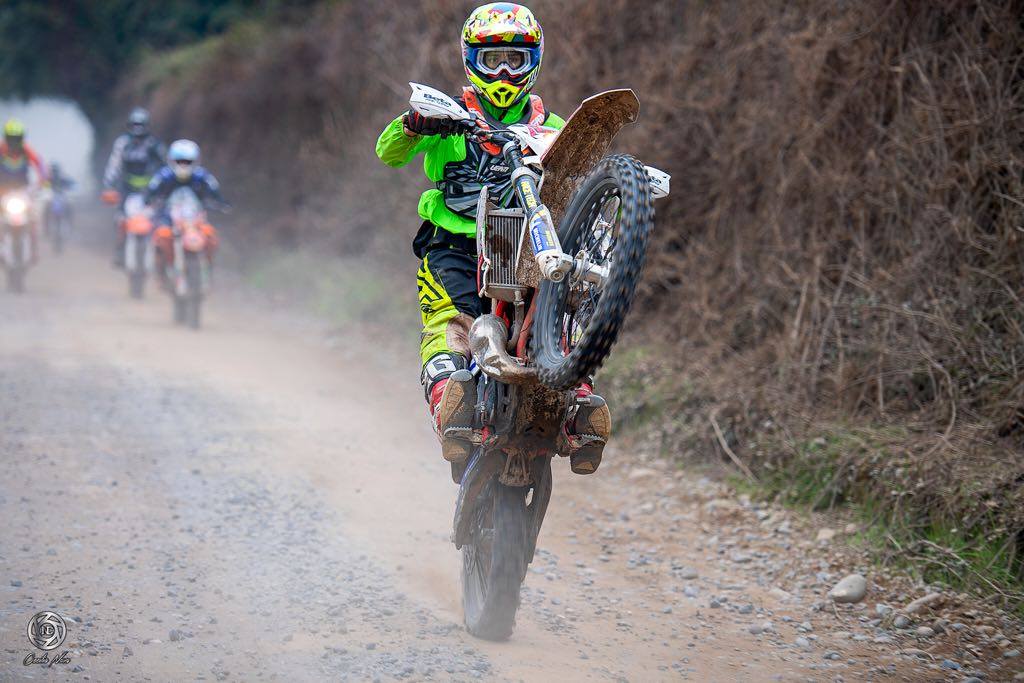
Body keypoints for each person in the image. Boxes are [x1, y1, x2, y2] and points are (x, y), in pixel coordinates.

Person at [374, 2, 611, 475]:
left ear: (533, 63)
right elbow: (388, 153)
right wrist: (414, 124)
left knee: (561, 318)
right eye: (493, 60)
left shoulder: (556, 128)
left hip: (526, 248)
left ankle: (579, 405)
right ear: (472, 62)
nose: (503, 72)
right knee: (451, 325)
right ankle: (450, 399)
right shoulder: (447, 114)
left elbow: (583, 177)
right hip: (456, 244)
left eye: (514, 60)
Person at [145, 139, 226, 281]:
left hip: (195, 218)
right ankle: (162, 272)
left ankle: (208, 267)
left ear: (195, 161)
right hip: (169, 217)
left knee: (210, 236)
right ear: (172, 161)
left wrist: (220, 203)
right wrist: (151, 200)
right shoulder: (164, 175)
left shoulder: (202, 176)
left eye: (187, 162)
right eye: (179, 161)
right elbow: (152, 190)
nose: (183, 165)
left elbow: (214, 190)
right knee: (161, 237)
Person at [101, 108, 166, 265]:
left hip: (150, 190)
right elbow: (114, 164)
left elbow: (166, 167)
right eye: (135, 125)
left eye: (141, 125)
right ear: (129, 126)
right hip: (127, 188)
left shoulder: (155, 145)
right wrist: (109, 184)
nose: (138, 129)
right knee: (120, 220)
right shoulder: (122, 143)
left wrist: (164, 186)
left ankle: (160, 254)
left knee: (159, 221)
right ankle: (120, 249)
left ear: (147, 126)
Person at [0, 118, 48, 262]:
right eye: (11, 138)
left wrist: (43, 181)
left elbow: (40, 165)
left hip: (23, 191)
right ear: (6, 138)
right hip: (3, 191)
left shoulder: (26, 151)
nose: (14, 142)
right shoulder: (1, 150)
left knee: (34, 218)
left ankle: (34, 249)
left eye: (17, 138)